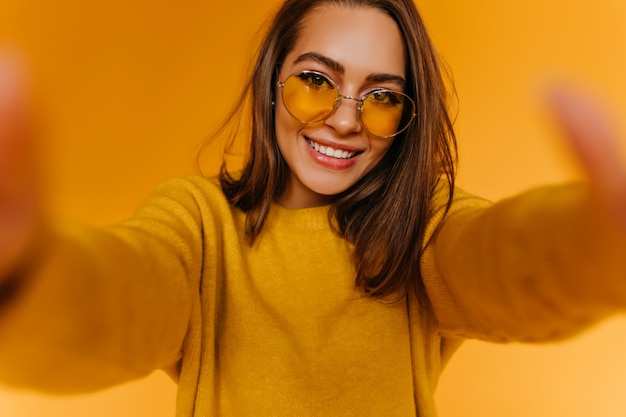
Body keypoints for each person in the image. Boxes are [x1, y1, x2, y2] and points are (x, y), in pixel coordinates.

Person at [0, 0, 624, 416]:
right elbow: (124, 299)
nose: (346, 119)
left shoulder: (421, 231)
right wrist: (24, 273)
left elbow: (505, 260)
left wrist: (602, 245)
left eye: (382, 96)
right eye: (316, 81)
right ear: (272, 78)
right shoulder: (201, 224)